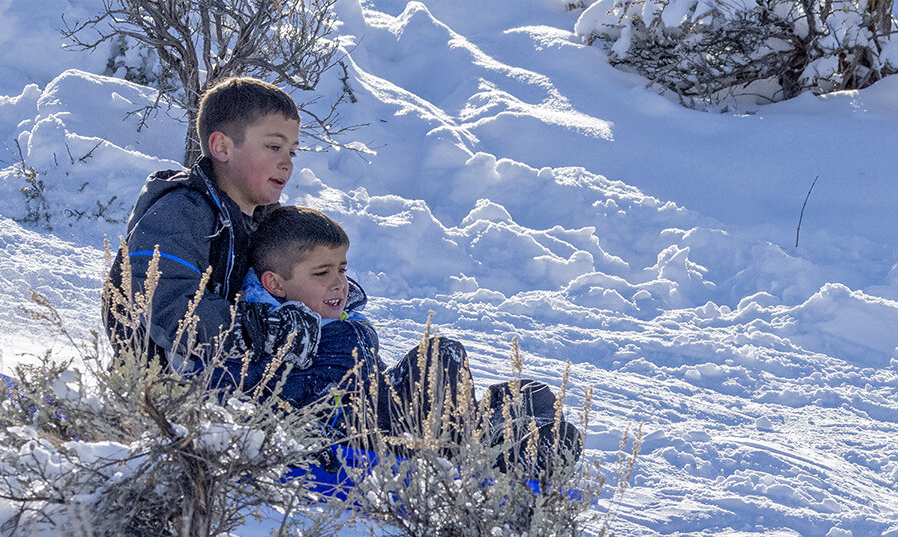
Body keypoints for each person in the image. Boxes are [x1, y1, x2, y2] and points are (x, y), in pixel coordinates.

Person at [242, 205, 582, 478]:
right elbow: (273, 400)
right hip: (352, 438)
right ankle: (493, 456)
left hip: (378, 411)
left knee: (513, 385)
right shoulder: (278, 329)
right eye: (322, 273)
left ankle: (516, 435)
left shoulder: (337, 318)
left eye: (342, 270)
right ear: (276, 284)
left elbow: (370, 376)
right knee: (438, 382)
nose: (339, 284)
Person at [103, 76, 318, 375]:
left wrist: (324, 285)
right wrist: (249, 329)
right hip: (164, 381)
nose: (287, 164)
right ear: (222, 146)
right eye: (273, 147)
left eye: (291, 152)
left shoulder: (267, 222)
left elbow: (298, 269)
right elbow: (163, 299)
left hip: (238, 375)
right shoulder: (181, 212)